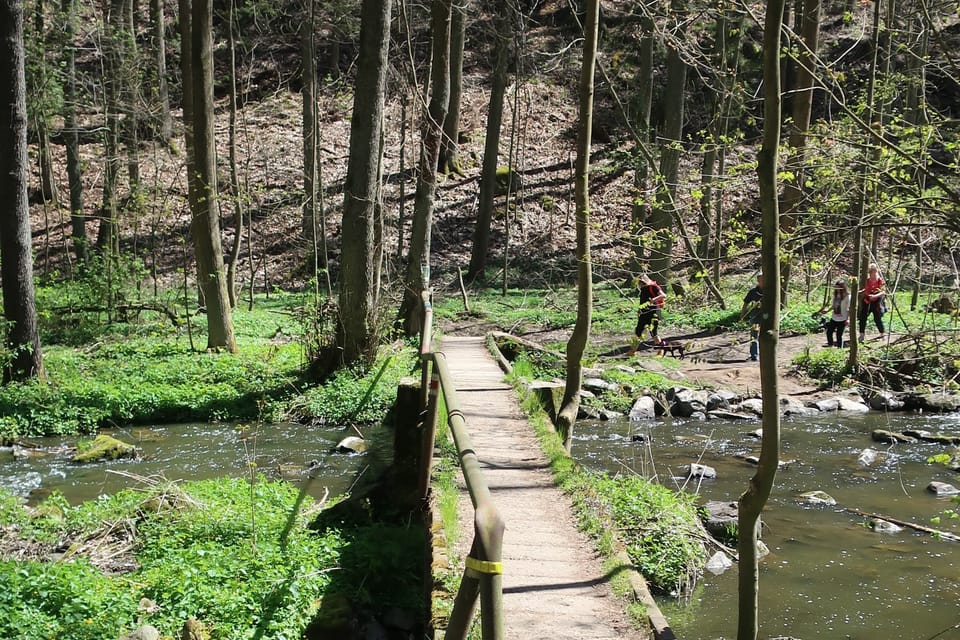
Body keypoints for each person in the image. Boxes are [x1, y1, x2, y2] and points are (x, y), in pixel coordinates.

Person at [632, 274, 666, 352]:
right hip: (644, 312)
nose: (639, 284)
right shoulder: (643, 289)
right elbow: (642, 301)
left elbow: (663, 295)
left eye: (640, 283)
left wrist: (653, 300)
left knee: (654, 332)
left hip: (653, 312)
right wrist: (639, 310)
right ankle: (632, 351)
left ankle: (661, 350)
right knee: (638, 331)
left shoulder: (653, 287)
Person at [817, 279, 850, 348]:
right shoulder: (835, 295)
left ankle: (839, 348)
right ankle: (830, 344)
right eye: (836, 287)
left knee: (839, 335)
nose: (837, 289)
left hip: (843, 318)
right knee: (829, 332)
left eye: (839, 287)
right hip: (834, 317)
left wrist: (848, 319)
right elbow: (833, 305)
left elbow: (849, 309)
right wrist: (827, 311)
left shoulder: (848, 296)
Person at [858, 263, 886, 342]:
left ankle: (882, 333)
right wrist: (861, 292)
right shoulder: (867, 280)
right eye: (869, 272)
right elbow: (867, 289)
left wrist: (875, 296)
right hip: (867, 300)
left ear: (875, 271)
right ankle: (861, 334)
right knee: (863, 317)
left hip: (876, 302)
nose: (871, 273)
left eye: (872, 271)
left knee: (877, 318)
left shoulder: (880, 280)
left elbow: (883, 292)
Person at [739, 274, 763, 361]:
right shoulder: (753, 291)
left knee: (766, 335)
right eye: (761, 280)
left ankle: (766, 355)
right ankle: (754, 356)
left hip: (767, 317)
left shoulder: (770, 290)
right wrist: (742, 314)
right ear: (758, 281)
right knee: (754, 335)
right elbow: (746, 303)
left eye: (764, 279)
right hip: (755, 316)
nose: (762, 282)